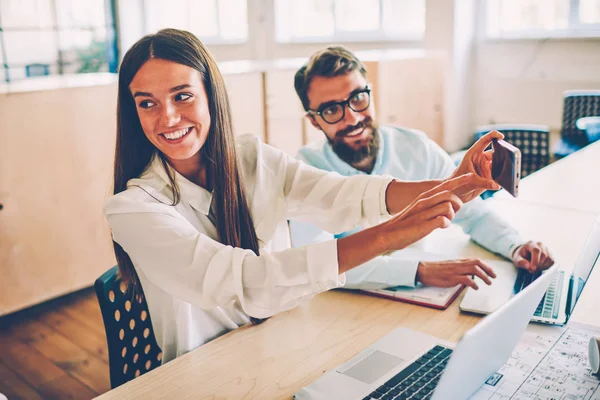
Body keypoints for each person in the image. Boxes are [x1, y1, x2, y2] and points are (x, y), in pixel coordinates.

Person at [104, 29, 500, 363]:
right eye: (147, 103)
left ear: (211, 94)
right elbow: (251, 283)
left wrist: (453, 184)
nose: (168, 118)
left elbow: (343, 194)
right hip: (211, 373)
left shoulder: (251, 158)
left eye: (182, 95)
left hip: (288, 345)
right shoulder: (131, 210)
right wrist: (394, 232)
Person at [290, 45, 554, 291]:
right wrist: (418, 271)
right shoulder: (304, 172)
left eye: (358, 98)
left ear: (371, 93)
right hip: (343, 305)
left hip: (421, 298)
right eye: (331, 110)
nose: (353, 118)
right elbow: (317, 260)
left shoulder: (415, 147)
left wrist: (515, 245)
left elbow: (473, 213)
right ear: (314, 122)